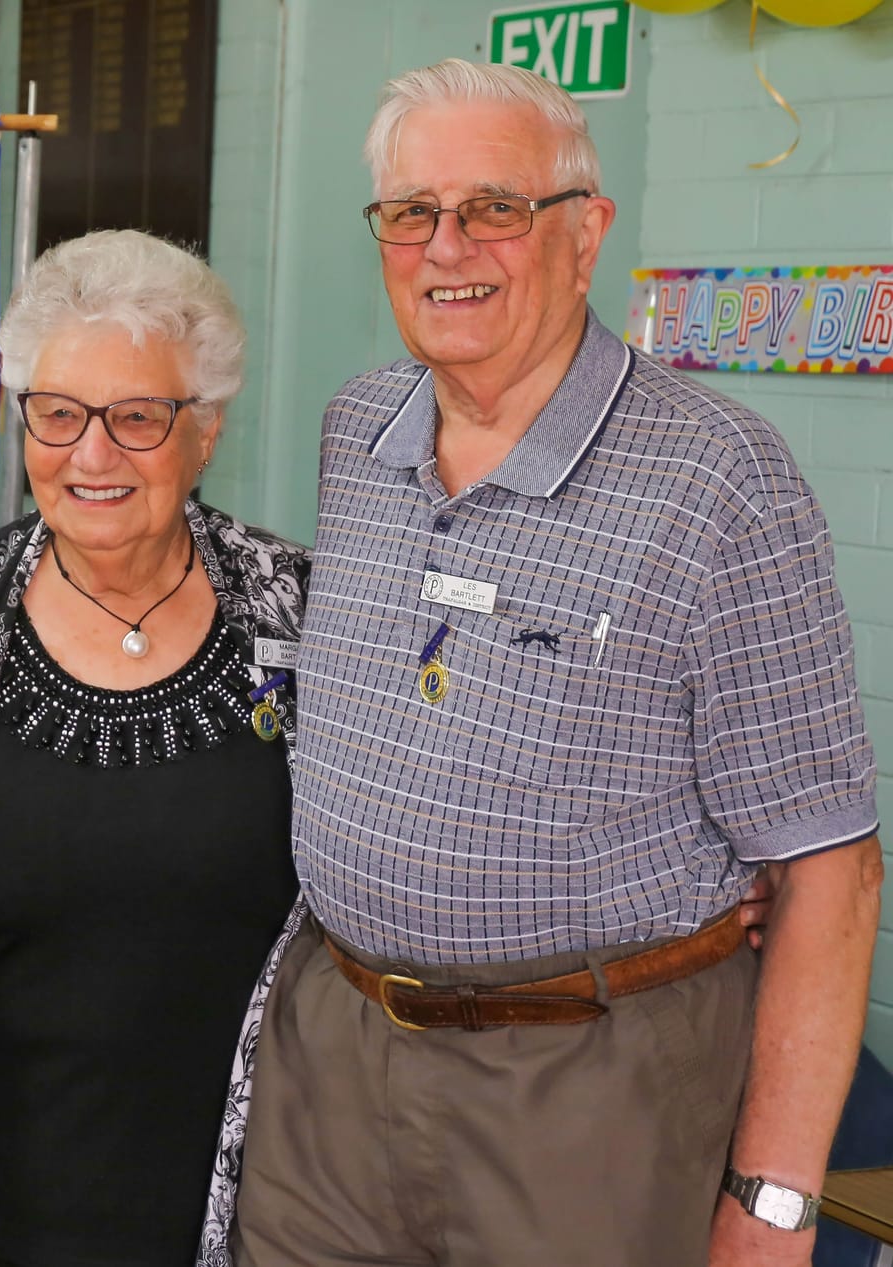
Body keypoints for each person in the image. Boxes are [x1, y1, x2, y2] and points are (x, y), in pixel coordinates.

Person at [233, 59, 882, 1267]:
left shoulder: (716, 479)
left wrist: (773, 1204)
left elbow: (829, 874)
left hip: (590, 1083)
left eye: (493, 208)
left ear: (584, 233)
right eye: (410, 213)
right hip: (334, 1058)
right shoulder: (355, 428)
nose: (445, 246)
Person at [0, 229, 312, 1267]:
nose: (88, 454)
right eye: (55, 414)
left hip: (248, 1213)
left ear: (206, 429)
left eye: (135, 417)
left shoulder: (304, 616)